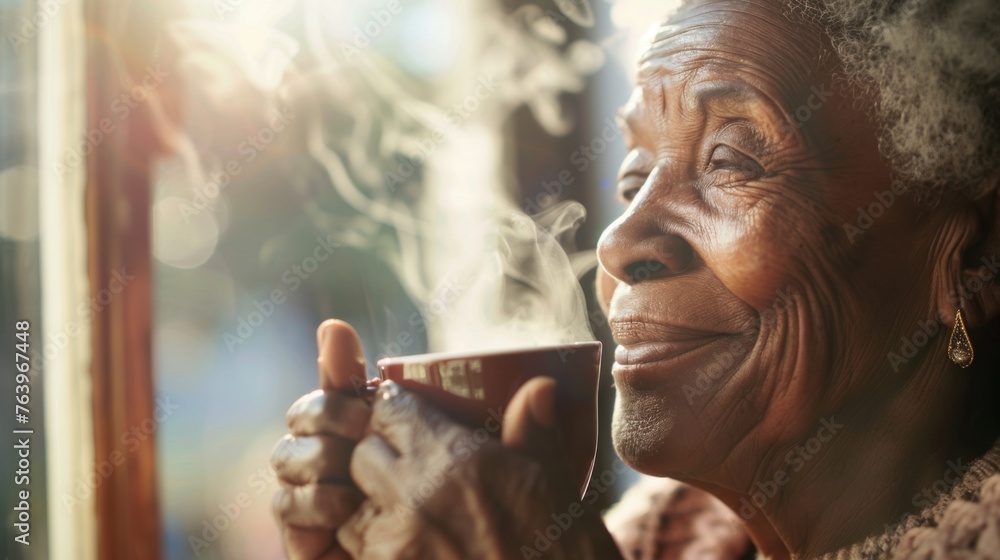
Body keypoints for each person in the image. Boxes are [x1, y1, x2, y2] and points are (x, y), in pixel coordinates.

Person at [269, 0, 1000, 557]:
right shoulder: (666, 539)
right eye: (633, 178)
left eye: (730, 162)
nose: (620, 244)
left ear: (971, 260)